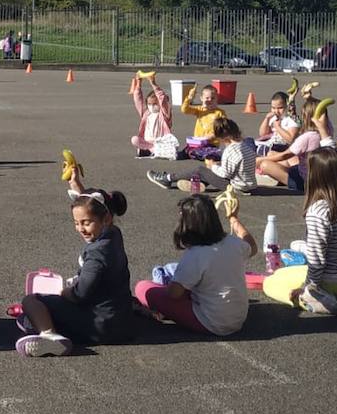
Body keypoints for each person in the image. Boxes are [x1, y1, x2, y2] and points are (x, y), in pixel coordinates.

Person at [15, 188, 134, 356]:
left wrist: (65, 292)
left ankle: (49, 336)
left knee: (30, 301)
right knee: (35, 315)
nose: (80, 229)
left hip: (101, 326)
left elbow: (80, 294)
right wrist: (76, 184)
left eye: (86, 223)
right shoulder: (114, 233)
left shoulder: (96, 255)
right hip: (122, 321)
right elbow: (92, 203)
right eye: (76, 223)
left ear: (106, 219)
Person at [133, 194, 256, 335]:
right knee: (184, 277)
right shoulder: (234, 243)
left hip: (212, 322)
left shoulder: (195, 254)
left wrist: (172, 286)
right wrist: (233, 218)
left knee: (143, 288)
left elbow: (174, 294)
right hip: (238, 317)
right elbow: (252, 245)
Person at [266, 147, 337, 315]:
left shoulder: (318, 211)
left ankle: (317, 300)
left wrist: (308, 286)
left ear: (314, 175)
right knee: (291, 269)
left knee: (272, 283)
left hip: (331, 279)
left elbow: (317, 257)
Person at [147, 118, 256, 194]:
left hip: (236, 187)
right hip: (249, 185)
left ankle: (167, 179)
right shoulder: (246, 146)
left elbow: (225, 174)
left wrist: (212, 166)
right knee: (211, 170)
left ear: (222, 138)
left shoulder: (230, 150)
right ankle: (197, 184)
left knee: (201, 170)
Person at [255, 97, 321, 192]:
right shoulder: (325, 132)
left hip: (304, 181)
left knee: (264, 165)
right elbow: (263, 133)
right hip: (309, 171)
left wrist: (260, 160)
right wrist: (309, 97)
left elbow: (285, 155)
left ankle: (280, 178)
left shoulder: (306, 137)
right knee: (272, 154)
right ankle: (276, 175)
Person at [129, 70, 171, 156]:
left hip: (160, 142)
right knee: (134, 139)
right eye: (149, 104)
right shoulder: (146, 113)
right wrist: (138, 84)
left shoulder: (164, 114)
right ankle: (149, 149)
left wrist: (153, 83)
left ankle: (151, 150)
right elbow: (138, 100)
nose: (151, 106)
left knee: (167, 147)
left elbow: (162, 98)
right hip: (147, 141)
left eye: (155, 104)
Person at [181, 83, 227, 160]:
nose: (210, 100)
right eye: (207, 98)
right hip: (197, 142)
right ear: (201, 98)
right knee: (183, 153)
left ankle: (207, 155)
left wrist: (212, 136)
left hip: (211, 143)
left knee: (207, 153)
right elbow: (184, 110)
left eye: (213, 98)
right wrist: (189, 98)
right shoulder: (199, 110)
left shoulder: (220, 112)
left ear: (217, 99)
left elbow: (223, 128)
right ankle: (193, 154)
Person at [256, 91, 298, 156]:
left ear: (287, 106)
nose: (276, 111)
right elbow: (262, 134)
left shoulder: (292, 119)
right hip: (270, 143)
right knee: (248, 142)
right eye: (273, 108)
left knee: (265, 150)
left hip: (282, 146)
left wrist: (278, 127)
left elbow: (290, 139)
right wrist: (266, 119)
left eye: (280, 108)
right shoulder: (273, 118)